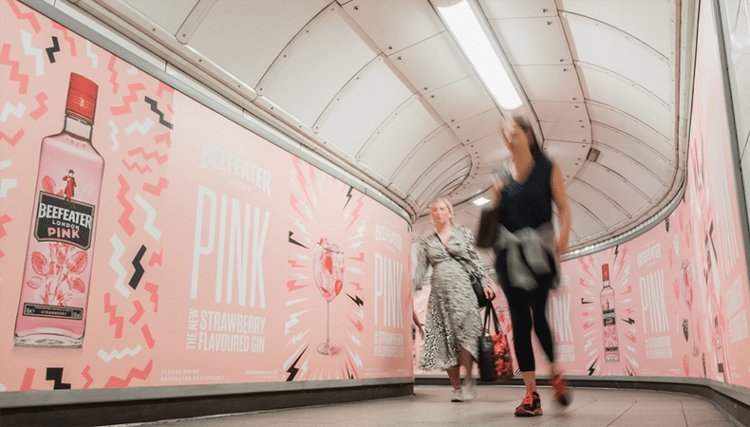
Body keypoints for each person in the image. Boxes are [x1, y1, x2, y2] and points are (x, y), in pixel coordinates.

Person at [489, 116, 572, 416]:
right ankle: (531, 395)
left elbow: (563, 207)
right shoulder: (499, 173)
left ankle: (555, 372)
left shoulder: (548, 167)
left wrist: (562, 236)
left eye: (515, 132)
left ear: (529, 135)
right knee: (520, 323)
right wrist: (495, 196)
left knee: (539, 315)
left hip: (539, 253)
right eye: (505, 134)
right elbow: (494, 218)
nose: (510, 137)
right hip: (509, 257)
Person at [412, 198, 494, 402]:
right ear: (432, 216)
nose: (438, 213)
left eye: (442, 209)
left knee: (467, 337)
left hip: (464, 293)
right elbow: (421, 269)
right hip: (440, 298)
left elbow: (475, 260)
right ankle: (456, 388)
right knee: (445, 342)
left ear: (449, 212)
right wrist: (410, 288)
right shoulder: (426, 242)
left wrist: (485, 283)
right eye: (434, 210)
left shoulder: (463, 233)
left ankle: (467, 380)